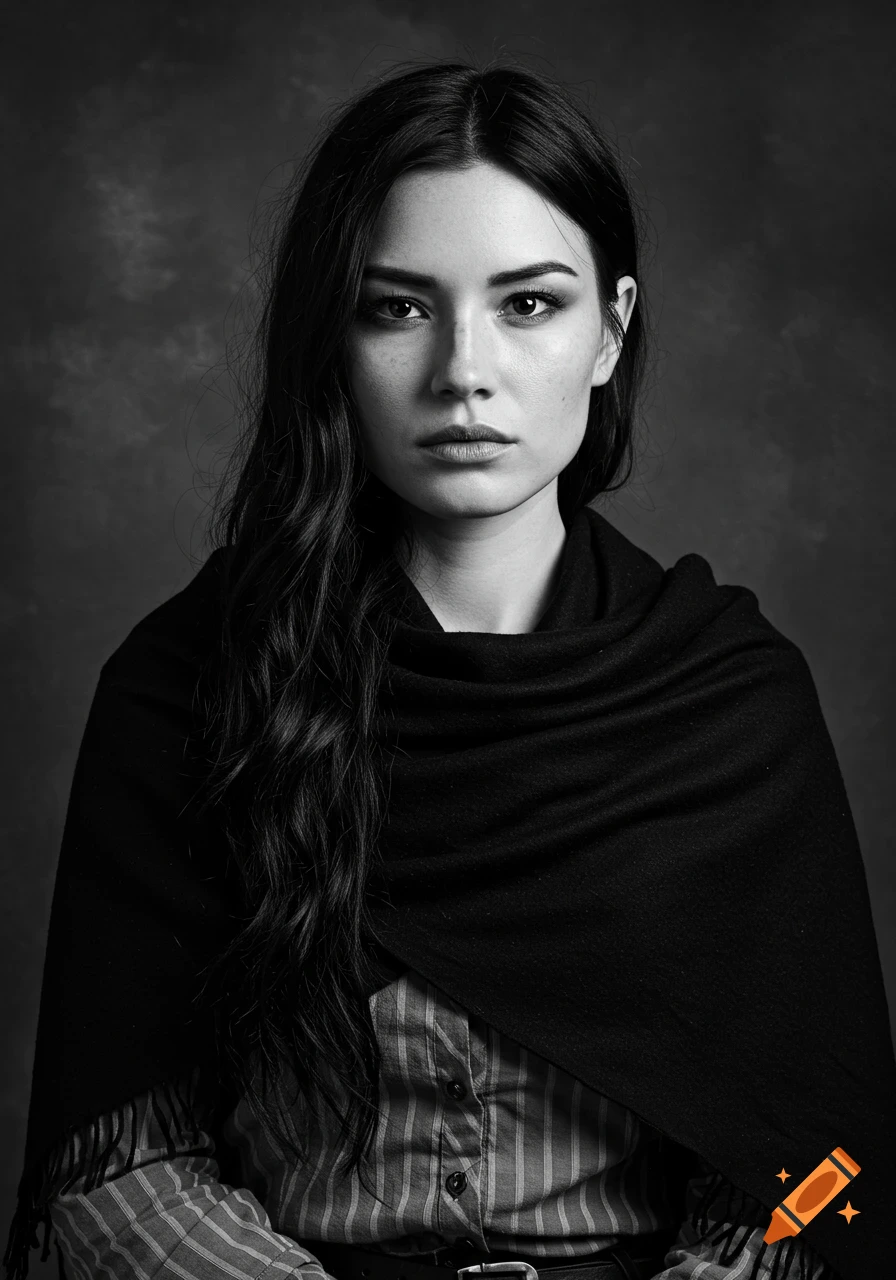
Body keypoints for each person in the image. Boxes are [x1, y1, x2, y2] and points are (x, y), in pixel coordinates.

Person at [5, 57, 895, 1280]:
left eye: (527, 304)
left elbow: (818, 1172)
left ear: (610, 330)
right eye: (397, 307)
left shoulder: (729, 697)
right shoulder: (192, 683)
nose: (462, 372)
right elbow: (115, 1167)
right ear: (334, 335)